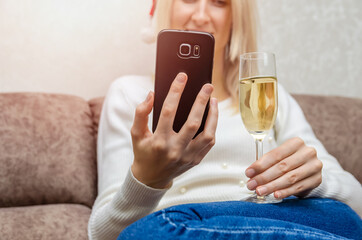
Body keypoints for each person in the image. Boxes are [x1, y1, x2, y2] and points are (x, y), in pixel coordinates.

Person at [88, 0, 362, 239]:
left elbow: (357, 204)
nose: (201, 15)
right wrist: (148, 179)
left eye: (220, 1)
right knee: (146, 233)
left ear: (236, 18)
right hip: (183, 226)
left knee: (344, 218)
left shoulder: (267, 93)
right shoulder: (129, 96)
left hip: (280, 219)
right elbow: (102, 235)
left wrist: (316, 181)